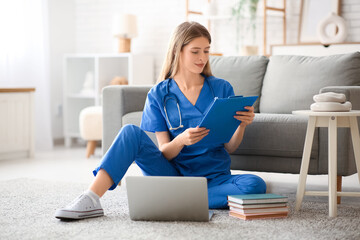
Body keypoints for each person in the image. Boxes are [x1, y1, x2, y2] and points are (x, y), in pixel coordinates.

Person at [55, 21, 266, 220]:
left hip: (214, 179)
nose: (202, 57)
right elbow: (164, 151)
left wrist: (241, 125)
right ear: (177, 51)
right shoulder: (159, 94)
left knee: (254, 185)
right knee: (130, 132)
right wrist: (181, 140)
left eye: (206, 50)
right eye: (195, 51)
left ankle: (175, 199)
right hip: (173, 176)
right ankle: (91, 198)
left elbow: (230, 147)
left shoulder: (222, 88)